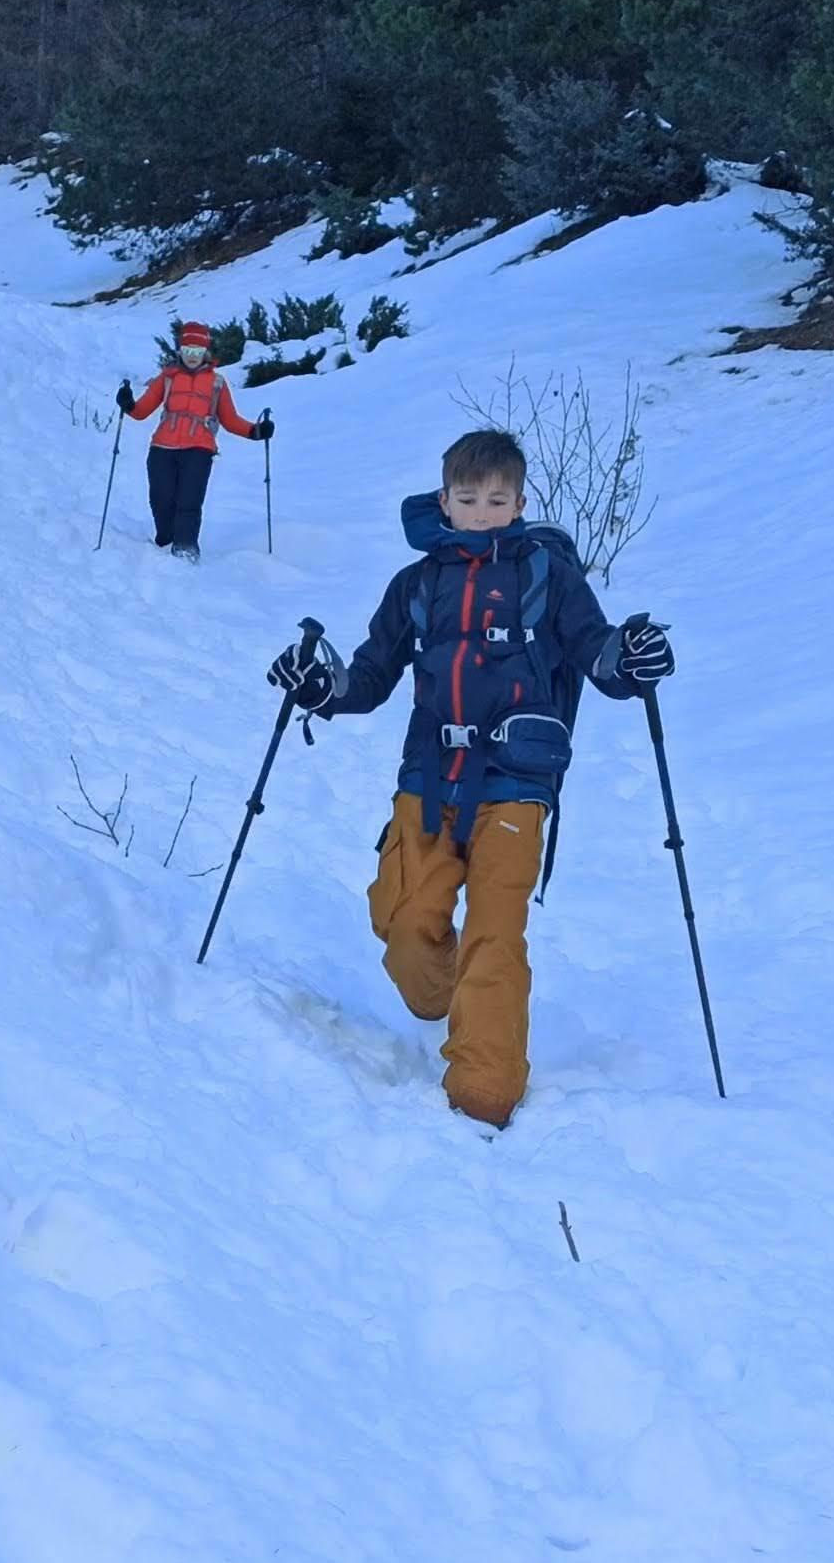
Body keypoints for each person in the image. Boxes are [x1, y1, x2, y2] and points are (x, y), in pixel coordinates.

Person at [265, 427, 674, 1129]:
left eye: (497, 500)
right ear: (445, 500)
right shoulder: (417, 585)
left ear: (519, 504)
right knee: (403, 920)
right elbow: (369, 676)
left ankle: (486, 1090)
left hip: (517, 781)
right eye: (469, 498)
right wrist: (319, 686)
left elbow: (596, 650)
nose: (483, 513)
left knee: (495, 931)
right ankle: (443, 996)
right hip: (429, 777)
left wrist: (629, 656)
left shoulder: (548, 577)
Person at [117, 323, 273, 560]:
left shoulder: (217, 383)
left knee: (189, 501)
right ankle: (165, 542)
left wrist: (256, 431)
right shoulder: (167, 378)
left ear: (205, 352)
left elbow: (230, 420)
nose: (192, 356)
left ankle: (186, 547)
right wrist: (127, 403)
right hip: (162, 448)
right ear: (180, 350)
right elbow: (141, 411)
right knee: (160, 499)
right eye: (187, 350)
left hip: (199, 450)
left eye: (197, 351)